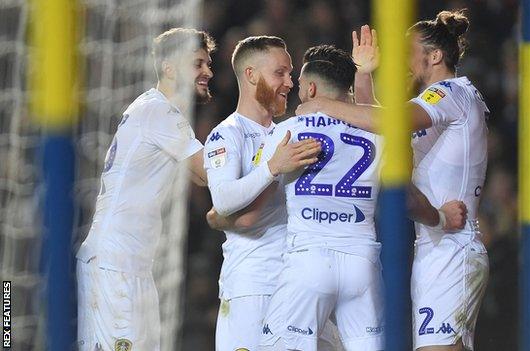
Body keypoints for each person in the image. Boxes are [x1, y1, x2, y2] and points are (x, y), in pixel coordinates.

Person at [297, 11, 489, 351]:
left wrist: (322, 103)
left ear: (434, 56)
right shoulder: (433, 105)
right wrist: (363, 73)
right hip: (435, 246)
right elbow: (379, 127)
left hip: (453, 246)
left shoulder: (450, 93)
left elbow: (388, 122)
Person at [76, 28, 215, 350]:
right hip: (116, 264)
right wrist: (270, 163)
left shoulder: (155, 111)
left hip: (129, 263)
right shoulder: (159, 112)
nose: (208, 71)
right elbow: (207, 172)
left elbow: (198, 176)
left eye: (208, 64)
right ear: (169, 67)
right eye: (197, 64)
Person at [203, 35, 323, 351]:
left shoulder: (288, 133)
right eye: (279, 73)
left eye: (291, 73)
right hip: (253, 285)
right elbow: (223, 200)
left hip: (297, 283)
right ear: (251, 75)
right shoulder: (227, 135)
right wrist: (272, 168)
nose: (289, 81)